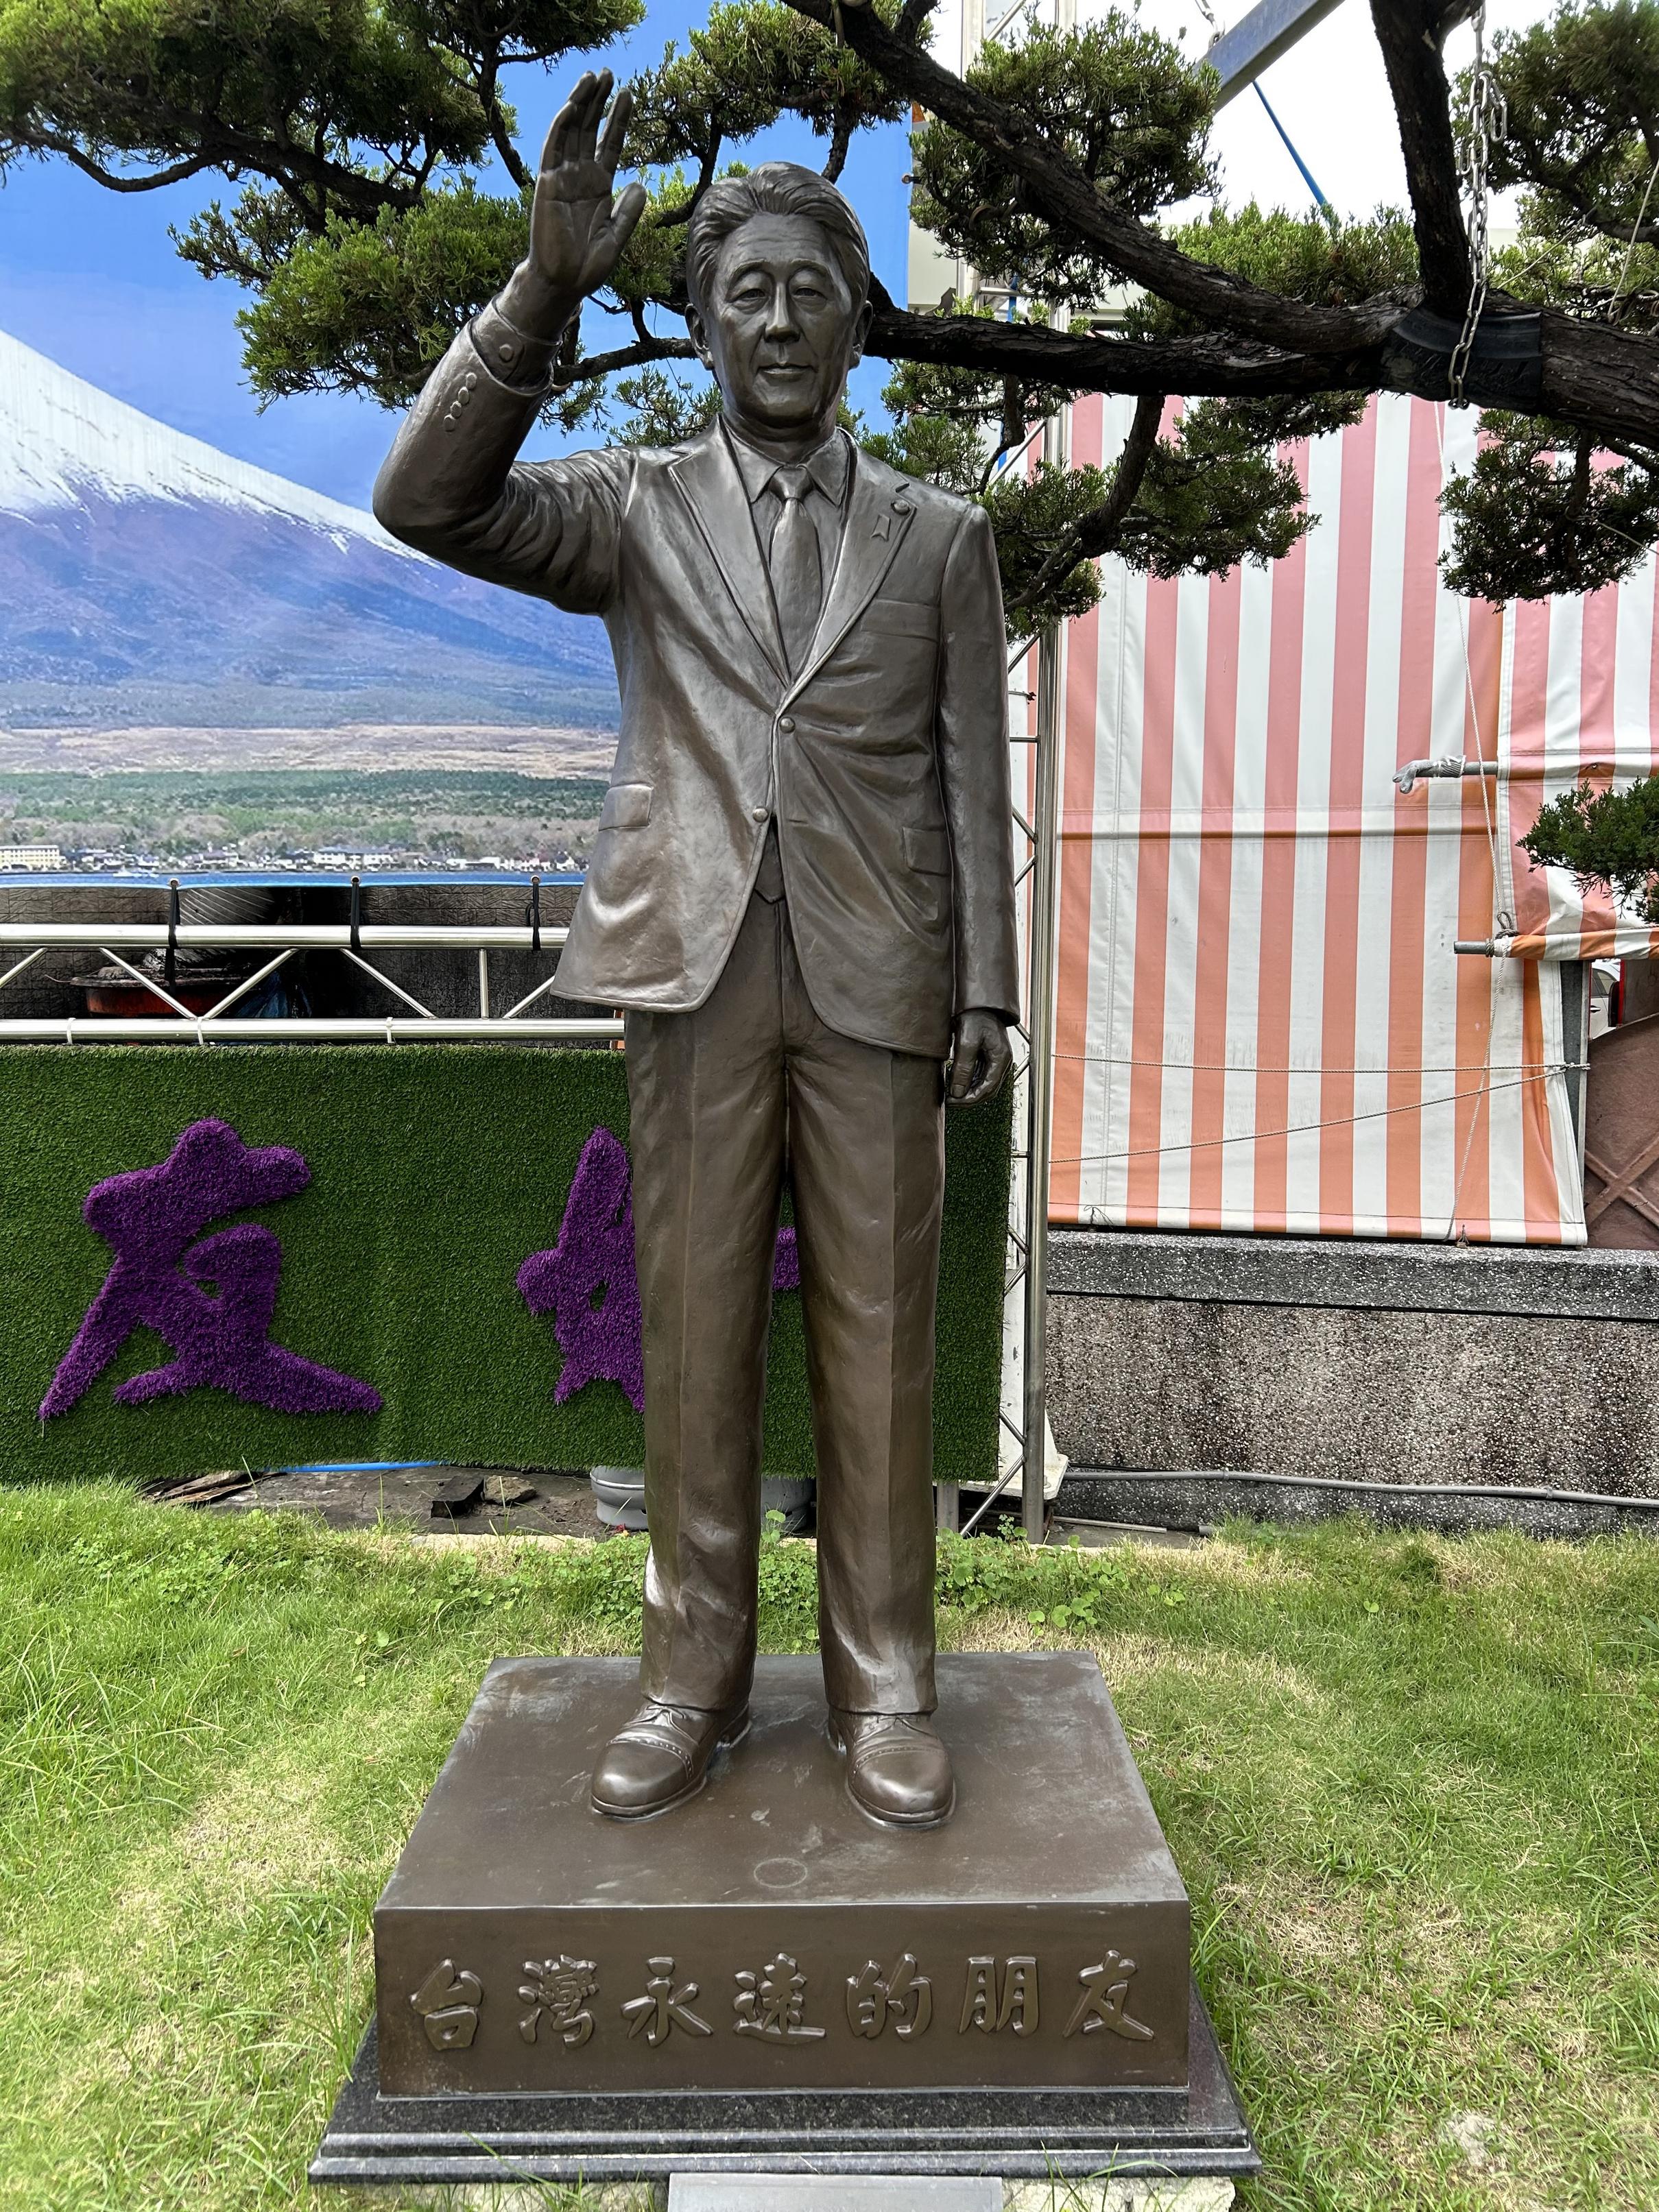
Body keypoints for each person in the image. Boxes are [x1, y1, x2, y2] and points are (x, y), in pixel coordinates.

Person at [374, 71, 1019, 1829]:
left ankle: (886, 1684)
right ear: (700, 319)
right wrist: (541, 288)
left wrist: (985, 983)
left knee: (882, 1345)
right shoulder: (633, 507)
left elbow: (972, 773)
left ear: (860, 318)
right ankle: (690, 1675)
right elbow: (424, 500)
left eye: (814, 289)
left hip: (884, 977)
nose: (783, 321)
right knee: (695, 1327)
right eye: (748, 292)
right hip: (690, 967)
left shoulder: (942, 536)